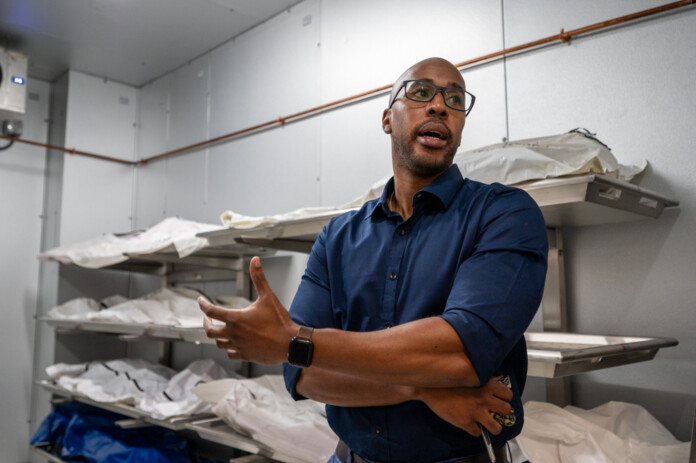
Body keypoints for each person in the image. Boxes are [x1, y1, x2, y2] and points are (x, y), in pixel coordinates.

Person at [199, 57, 548, 463]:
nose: (439, 106)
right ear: (387, 119)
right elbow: (303, 375)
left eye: (454, 98)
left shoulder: (504, 214)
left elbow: (463, 353)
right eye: (420, 93)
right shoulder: (338, 237)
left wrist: (298, 342)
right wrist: (421, 388)